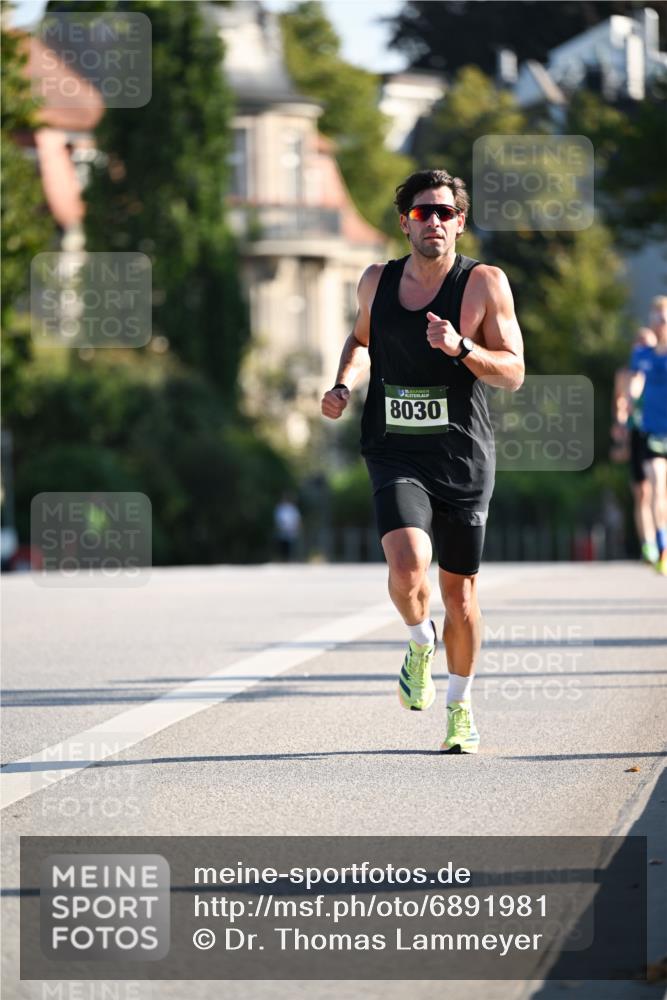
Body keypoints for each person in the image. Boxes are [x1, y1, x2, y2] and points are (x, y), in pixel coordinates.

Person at [321, 169, 524, 753]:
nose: (432, 221)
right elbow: (361, 342)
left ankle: (459, 707)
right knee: (408, 560)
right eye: (420, 212)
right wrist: (342, 384)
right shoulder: (376, 281)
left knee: (460, 594)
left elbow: (514, 371)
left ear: (460, 221)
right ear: (404, 221)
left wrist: (462, 348)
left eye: (443, 212)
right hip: (394, 448)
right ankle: (417, 640)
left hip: (461, 454)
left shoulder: (484, 283)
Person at [627, 296, 667, 575]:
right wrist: (631, 395)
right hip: (652, 432)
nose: (660, 324)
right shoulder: (643, 355)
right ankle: (660, 546)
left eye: (664, 319)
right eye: (656, 319)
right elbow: (636, 382)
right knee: (654, 484)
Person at [611, 326, 658, 563]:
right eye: (638, 342)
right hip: (637, 434)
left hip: (658, 433)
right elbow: (619, 405)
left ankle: (662, 540)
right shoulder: (624, 374)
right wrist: (621, 428)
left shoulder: (659, 368)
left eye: (646, 342)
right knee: (641, 493)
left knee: (659, 489)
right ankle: (648, 545)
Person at [273, 495, 302, 562]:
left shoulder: (293, 508)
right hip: (282, 529)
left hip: (291, 530)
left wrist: (297, 527)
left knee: (290, 546)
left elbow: (297, 519)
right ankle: (282, 559)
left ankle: (290, 559)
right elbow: (277, 519)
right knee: (282, 545)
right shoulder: (280, 508)